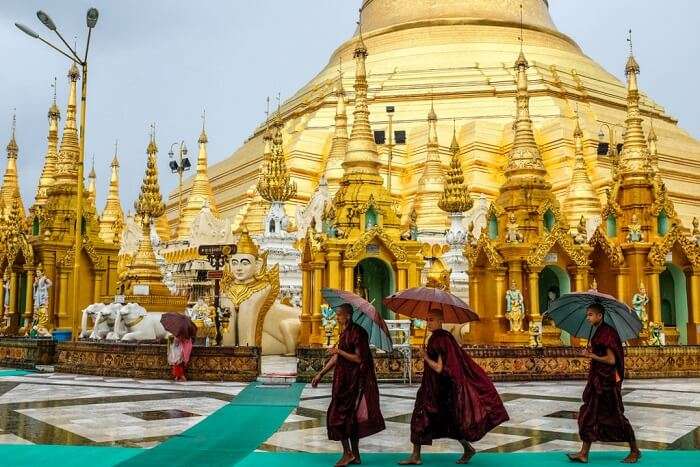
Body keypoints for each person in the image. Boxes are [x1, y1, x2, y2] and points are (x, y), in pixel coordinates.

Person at [400, 309, 509, 465]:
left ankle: (416, 456)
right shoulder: (442, 337)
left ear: (440, 321)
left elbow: (439, 368)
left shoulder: (439, 340)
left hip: (437, 389)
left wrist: (424, 356)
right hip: (440, 387)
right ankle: (466, 448)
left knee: (420, 417)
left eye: (431, 320)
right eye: (427, 319)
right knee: (449, 421)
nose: (428, 323)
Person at [311, 303, 385, 466]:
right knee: (349, 419)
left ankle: (347, 453)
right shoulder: (344, 333)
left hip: (354, 381)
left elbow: (359, 358)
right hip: (343, 380)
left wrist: (339, 351)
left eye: (339, 315)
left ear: (348, 316)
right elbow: (337, 358)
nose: (336, 318)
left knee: (337, 416)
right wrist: (320, 374)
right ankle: (355, 455)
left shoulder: (358, 333)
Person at [568, 303, 640, 463]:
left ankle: (635, 450)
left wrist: (591, 355)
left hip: (607, 384)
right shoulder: (599, 332)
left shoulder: (607, 333)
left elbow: (611, 359)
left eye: (590, 314)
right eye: (587, 315)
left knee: (616, 417)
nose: (588, 318)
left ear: (600, 315)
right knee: (588, 414)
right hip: (598, 381)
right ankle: (583, 453)